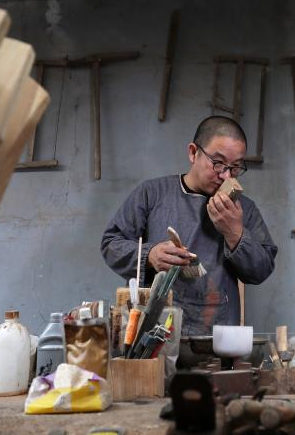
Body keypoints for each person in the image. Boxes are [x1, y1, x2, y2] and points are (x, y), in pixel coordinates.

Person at [100, 116, 277, 335]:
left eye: (236, 167)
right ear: (193, 153)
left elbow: (262, 270)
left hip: (217, 332)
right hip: (155, 331)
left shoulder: (243, 209)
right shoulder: (152, 193)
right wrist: (150, 255)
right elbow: (111, 243)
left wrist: (235, 234)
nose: (226, 176)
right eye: (218, 163)